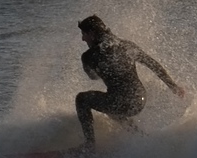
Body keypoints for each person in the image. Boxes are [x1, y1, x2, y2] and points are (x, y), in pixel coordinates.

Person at [74, 15, 185, 146]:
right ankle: (140, 137)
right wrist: (173, 86)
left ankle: (89, 145)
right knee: (111, 107)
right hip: (139, 100)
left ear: (92, 33)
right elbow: (153, 64)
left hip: (121, 102)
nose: (82, 39)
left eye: (84, 34)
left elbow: (93, 77)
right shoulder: (127, 45)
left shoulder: (89, 56)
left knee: (82, 99)